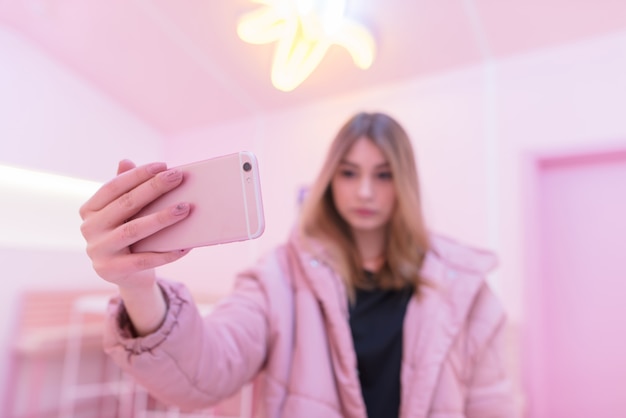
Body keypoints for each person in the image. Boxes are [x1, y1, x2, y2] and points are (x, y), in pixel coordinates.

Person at [79, 112, 517, 418]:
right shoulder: (278, 277)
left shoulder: (464, 289)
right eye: (348, 172)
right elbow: (205, 372)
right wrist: (137, 286)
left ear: (404, 183)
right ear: (329, 179)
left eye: (383, 174)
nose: (364, 191)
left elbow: (491, 407)